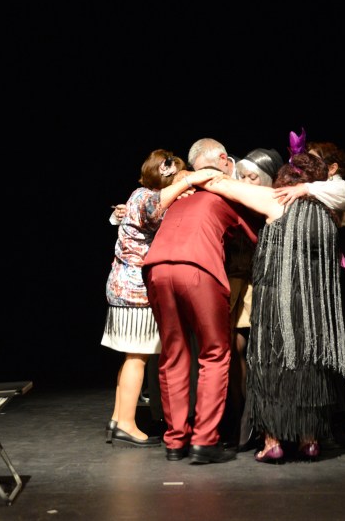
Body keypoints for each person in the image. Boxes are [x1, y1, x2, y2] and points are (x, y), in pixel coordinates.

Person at [199, 129, 345, 463]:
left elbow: (219, 184)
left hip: (277, 305)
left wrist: (194, 175)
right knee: (309, 366)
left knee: (271, 365)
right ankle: (309, 440)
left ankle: (273, 442)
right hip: (313, 308)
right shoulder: (333, 214)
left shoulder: (275, 200)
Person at [142, 137, 260, 464]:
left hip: (156, 268)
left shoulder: (181, 192)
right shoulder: (224, 190)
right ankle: (204, 442)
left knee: (174, 354)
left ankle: (175, 442)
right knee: (215, 353)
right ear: (223, 161)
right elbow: (256, 234)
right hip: (197, 268)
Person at [273, 138, 345, 451]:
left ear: (331, 168)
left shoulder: (339, 187)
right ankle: (322, 418)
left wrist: (304, 189)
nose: (307, 170)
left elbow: (342, 199)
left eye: (315, 163)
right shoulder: (311, 189)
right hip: (318, 271)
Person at [102, 149, 200, 447]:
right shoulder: (150, 199)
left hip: (121, 285)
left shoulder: (137, 194)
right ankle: (128, 424)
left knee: (131, 355)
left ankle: (119, 417)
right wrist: (190, 182)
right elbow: (164, 205)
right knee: (137, 357)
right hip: (135, 290)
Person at [219, 147, 284, 450]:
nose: (245, 180)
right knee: (232, 348)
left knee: (259, 351)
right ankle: (237, 419)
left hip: (262, 284)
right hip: (235, 280)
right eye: (242, 175)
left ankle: (260, 422)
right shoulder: (238, 198)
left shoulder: (273, 202)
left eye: (252, 176)